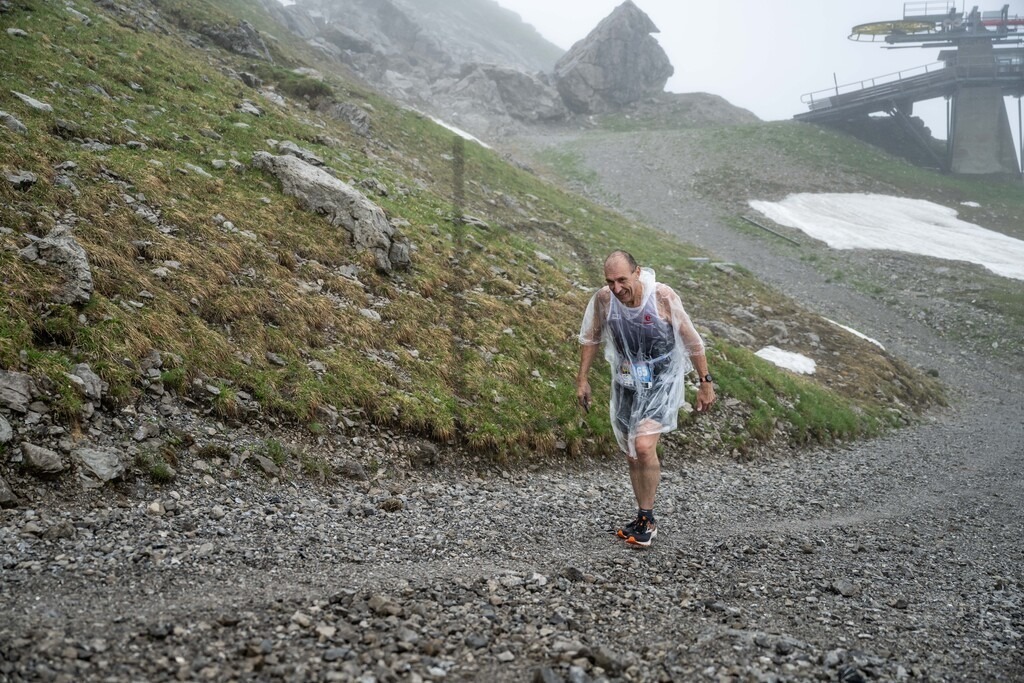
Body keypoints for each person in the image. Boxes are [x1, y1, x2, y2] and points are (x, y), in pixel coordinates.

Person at [576, 250, 715, 547]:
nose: (616, 288)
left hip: (662, 379)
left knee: (643, 444)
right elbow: (592, 336)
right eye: (610, 281)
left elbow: (692, 340)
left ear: (637, 272)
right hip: (626, 379)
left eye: (622, 280)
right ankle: (641, 516)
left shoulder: (662, 297)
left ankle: (648, 520)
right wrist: (583, 379)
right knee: (631, 450)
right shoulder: (604, 299)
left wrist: (705, 383)